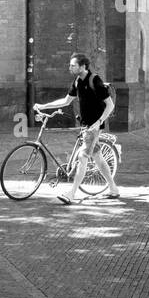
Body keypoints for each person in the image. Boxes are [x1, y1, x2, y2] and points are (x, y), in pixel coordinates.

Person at [32, 52, 120, 205]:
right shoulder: (78, 81)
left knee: (82, 157)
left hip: (93, 126)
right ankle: (113, 189)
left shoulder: (95, 80)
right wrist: (44, 106)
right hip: (85, 124)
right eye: (70, 65)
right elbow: (66, 101)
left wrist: (98, 122)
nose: (70, 67)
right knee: (98, 158)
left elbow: (110, 105)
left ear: (83, 66)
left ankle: (71, 193)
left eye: (73, 65)